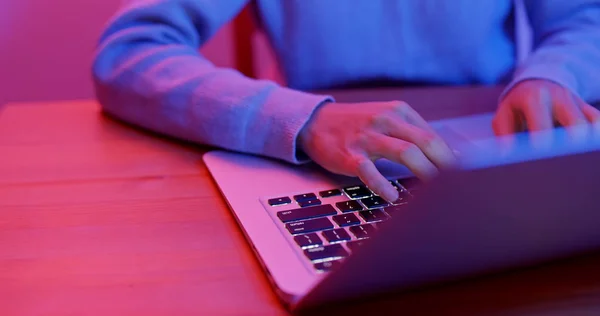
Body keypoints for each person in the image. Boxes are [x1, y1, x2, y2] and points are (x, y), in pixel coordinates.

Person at [93, 0, 600, 202]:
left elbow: (584, 16)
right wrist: (304, 120)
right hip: (324, 158)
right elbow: (129, 53)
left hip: (495, 150)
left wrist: (555, 75)